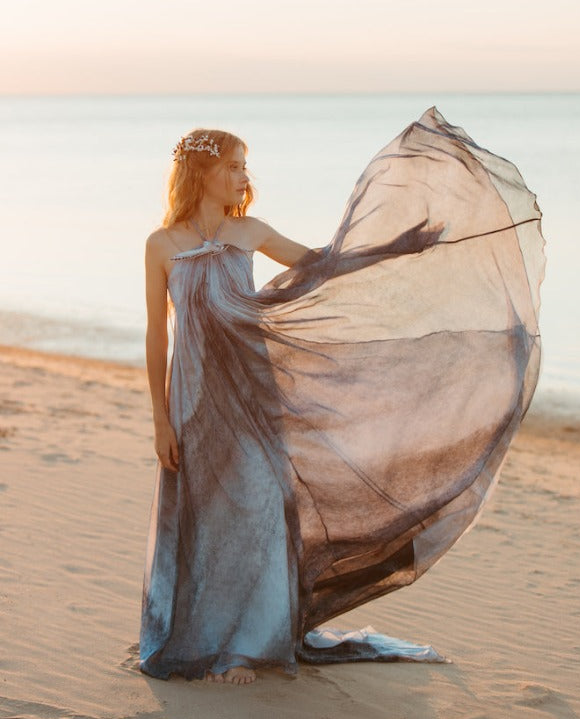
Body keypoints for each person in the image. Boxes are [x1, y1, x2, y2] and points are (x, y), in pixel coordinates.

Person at [140, 107, 545, 685]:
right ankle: (201, 640)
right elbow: (158, 334)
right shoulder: (161, 245)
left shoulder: (250, 233)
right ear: (202, 173)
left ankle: (249, 646)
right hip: (194, 396)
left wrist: (393, 248)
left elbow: (320, 265)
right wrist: (160, 420)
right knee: (202, 517)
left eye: (244, 166)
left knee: (260, 510)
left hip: (254, 397)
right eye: (232, 166)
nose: (242, 177)